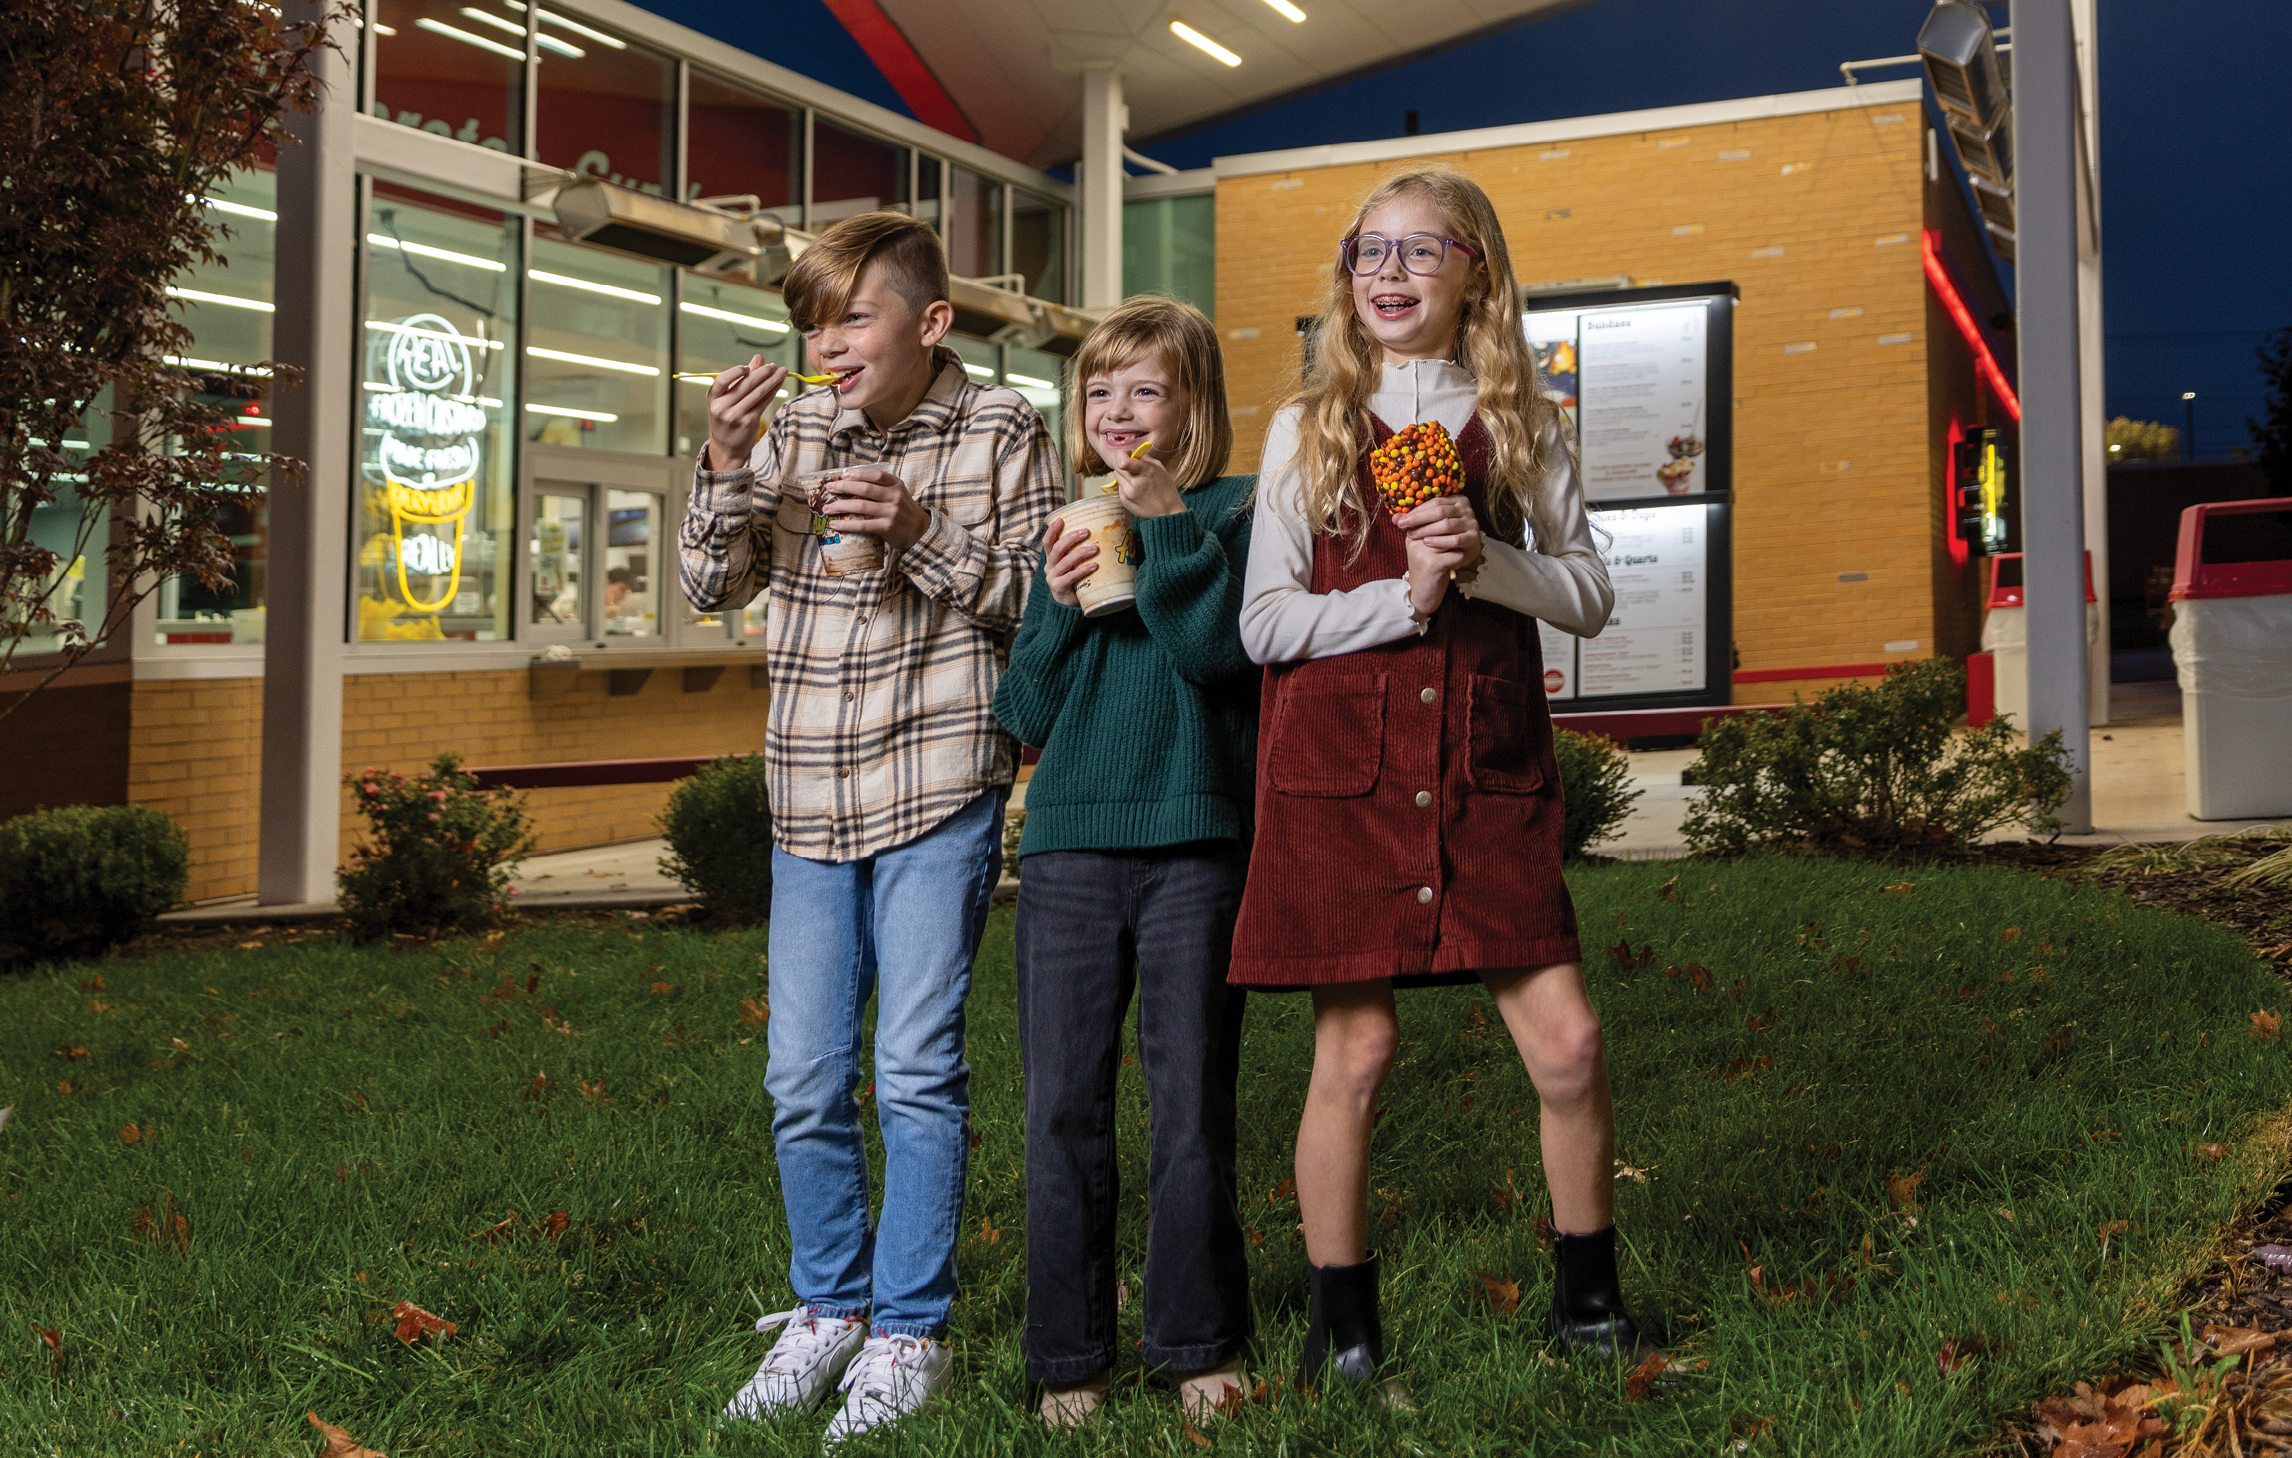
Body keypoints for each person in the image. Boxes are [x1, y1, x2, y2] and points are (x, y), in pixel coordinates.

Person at [1229, 167, 1637, 1392]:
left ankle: (1589, 1299)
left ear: (1478, 273)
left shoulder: (1526, 424)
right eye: (1369, 252)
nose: (1391, 273)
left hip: (1480, 769)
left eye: (1422, 249)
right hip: (1343, 781)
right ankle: (1341, 1328)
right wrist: (1392, 600)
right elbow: (1263, 624)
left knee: (1568, 1044)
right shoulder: (1308, 426)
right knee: (1353, 1053)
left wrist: (1490, 566)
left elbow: (1593, 593)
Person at [678, 210, 1061, 1446]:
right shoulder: (792, 427)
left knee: (913, 1069)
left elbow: (1043, 615)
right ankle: (827, 1309)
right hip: (805, 792)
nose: (825, 343)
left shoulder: (1005, 426)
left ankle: (908, 1332)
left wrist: (919, 532)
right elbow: (707, 586)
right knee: (801, 1076)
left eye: (852, 316)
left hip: (937, 779)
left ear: (931, 322)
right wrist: (726, 463)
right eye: (810, 323)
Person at [991, 297, 1257, 1430]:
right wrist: (1053, 607)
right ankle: (1069, 1358)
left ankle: (1197, 1339)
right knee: (1061, 1107)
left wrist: (1169, 532)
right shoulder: (1063, 524)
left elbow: (1220, 656)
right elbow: (1024, 712)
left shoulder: (1234, 515)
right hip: (1067, 849)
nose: (1118, 412)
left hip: (1195, 838)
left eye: (1145, 389)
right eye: (1100, 391)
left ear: (1193, 404)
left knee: (1192, 1101)